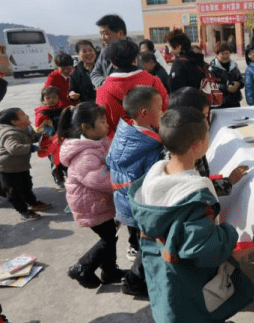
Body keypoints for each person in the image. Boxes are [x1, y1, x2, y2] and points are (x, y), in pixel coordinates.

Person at [129, 107, 254, 323]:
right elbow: (203, 249)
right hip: (189, 275)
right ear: (197, 145)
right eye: (207, 133)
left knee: (176, 307)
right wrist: (231, 235)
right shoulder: (195, 194)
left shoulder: (155, 176)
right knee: (198, 314)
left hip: (161, 264)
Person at [59, 102, 126, 289]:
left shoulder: (98, 141)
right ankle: (82, 267)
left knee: (111, 235)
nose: (106, 125)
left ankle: (110, 271)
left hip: (99, 201)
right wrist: (125, 180)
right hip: (90, 204)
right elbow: (101, 181)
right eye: (102, 121)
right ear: (86, 127)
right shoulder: (85, 155)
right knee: (108, 239)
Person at [106, 86, 164, 297]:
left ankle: (136, 279)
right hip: (139, 205)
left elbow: (109, 161)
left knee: (143, 243)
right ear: (145, 113)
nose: (163, 110)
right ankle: (134, 281)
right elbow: (154, 181)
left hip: (123, 201)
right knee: (148, 246)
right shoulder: (150, 146)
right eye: (159, 107)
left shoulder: (125, 133)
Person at [167, 87, 248, 196]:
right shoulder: (184, 154)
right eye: (204, 116)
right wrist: (228, 181)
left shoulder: (185, 143)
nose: (207, 123)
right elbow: (196, 190)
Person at [95, 39, 168, 139]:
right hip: (155, 142)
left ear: (113, 63)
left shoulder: (102, 91)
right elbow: (166, 112)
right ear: (135, 59)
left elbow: (105, 127)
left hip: (121, 145)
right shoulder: (153, 81)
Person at [0, 108, 52, 221]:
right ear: (14, 122)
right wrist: (33, 147)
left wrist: (41, 136)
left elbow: (32, 136)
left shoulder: (26, 129)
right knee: (14, 192)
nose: (27, 116)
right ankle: (23, 211)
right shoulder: (10, 133)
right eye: (22, 115)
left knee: (26, 186)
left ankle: (33, 203)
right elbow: (14, 148)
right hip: (8, 168)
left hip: (21, 166)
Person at [34, 86, 68, 188]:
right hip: (50, 141)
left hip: (64, 138)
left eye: (54, 97)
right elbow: (38, 129)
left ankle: (69, 175)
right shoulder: (42, 113)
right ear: (43, 99)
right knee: (55, 161)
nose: (51, 100)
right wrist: (50, 130)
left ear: (58, 97)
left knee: (66, 157)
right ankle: (58, 178)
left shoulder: (61, 108)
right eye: (48, 98)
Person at [90, 14, 128, 87]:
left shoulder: (133, 52)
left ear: (120, 34)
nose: (102, 38)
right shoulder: (104, 52)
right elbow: (95, 73)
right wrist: (103, 82)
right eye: (101, 34)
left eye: (105, 34)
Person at [165, 29, 207, 93]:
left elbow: (174, 86)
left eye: (170, 46)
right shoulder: (197, 58)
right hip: (200, 99)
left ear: (178, 46)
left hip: (185, 100)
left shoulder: (179, 63)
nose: (169, 50)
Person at [208, 42, 244, 108]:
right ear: (217, 54)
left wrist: (239, 84)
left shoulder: (234, 66)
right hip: (219, 104)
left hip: (234, 102)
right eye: (222, 54)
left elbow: (241, 79)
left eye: (227, 53)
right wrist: (226, 88)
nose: (225, 56)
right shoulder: (212, 68)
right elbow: (211, 85)